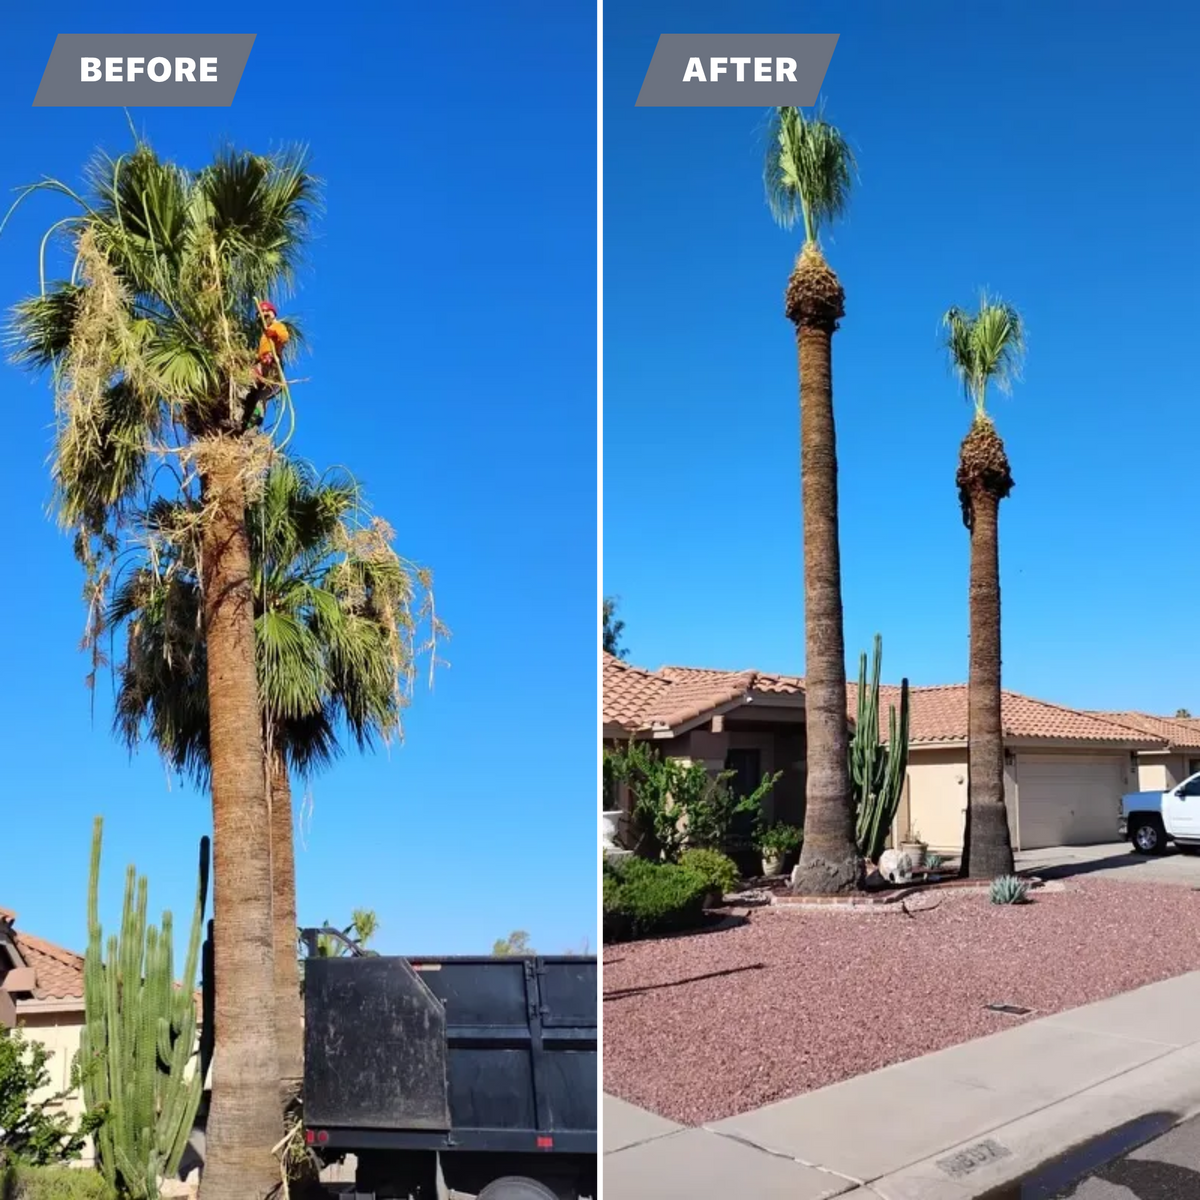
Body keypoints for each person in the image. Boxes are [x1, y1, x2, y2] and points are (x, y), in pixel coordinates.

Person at [245, 300, 290, 428]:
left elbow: (285, 337)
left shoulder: (277, 326)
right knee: (259, 394)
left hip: (271, 363)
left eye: (265, 316)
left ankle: (255, 419)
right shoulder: (264, 333)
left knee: (253, 382)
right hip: (264, 360)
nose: (262, 319)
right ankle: (249, 415)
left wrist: (275, 334)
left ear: (272, 314)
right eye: (260, 317)